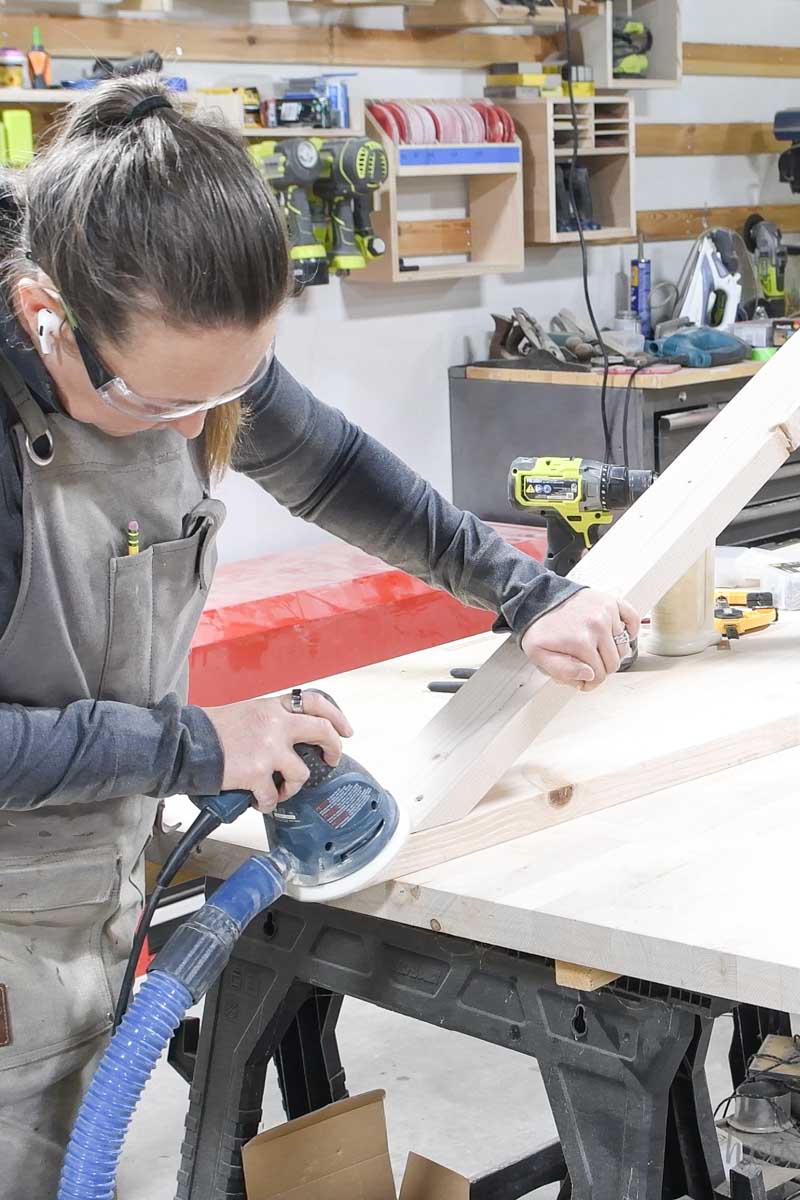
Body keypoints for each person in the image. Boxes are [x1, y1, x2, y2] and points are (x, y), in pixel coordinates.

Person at [0, 75, 639, 1195]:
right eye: (158, 405)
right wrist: (198, 744)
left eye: (227, 391)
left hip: (76, 877)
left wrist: (526, 593)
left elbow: (333, 468)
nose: (196, 431)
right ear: (39, 316)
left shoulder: (174, 357)